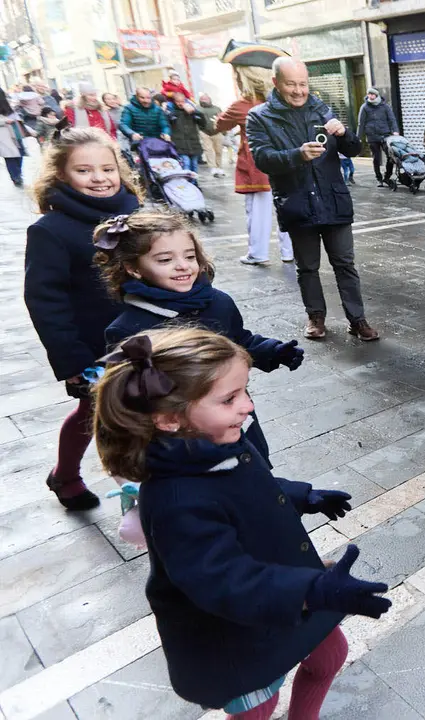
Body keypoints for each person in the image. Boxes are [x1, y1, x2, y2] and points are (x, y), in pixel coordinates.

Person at [91, 327, 390, 719]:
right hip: (237, 632)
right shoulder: (175, 499)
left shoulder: (217, 440)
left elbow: (250, 487)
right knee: (257, 706)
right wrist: (312, 590)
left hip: (285, 590)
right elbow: (222, 579)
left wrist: (302, 496)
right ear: (168, 419)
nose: (246, 406)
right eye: (230, 398)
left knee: (330, 654)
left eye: (246, 392)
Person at [96, 209, 304, 460]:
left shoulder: (219, 302)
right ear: (134, 268)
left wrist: (271, 351)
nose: (182, 266)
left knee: (254, 469)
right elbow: (132, 401)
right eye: (165, 260)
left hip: (236, 416)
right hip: (184, 438)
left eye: (190, 256)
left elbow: (239, 341)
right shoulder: (129, 330)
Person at [23, 127, 142, 510]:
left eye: (107, 169)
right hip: (93, 348)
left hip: (146, 336)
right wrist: (70, 358)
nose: (99, 178)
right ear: (61, 176)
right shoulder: (50, 231)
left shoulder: (139, 215)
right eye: (85, 170)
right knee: (95, 413)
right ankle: (69, 476)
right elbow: (45, 300)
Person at [247, 57, 379, 341]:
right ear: (276, 83)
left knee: (345, 263)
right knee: (307, 267)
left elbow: (354, 148)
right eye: (291, 84)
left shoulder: (322, 108)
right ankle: (316, 317)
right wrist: (297, 155)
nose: (298, 90)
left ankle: (358, 320)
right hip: (297, 202)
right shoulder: (260, 116)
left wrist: (344, 133)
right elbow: (262, 158)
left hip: (333, 200)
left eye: (303, 84)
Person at [216, 62, 294, 267]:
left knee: (258, 211)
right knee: (285, 208)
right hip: (282, 160)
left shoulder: (242, 105)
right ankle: (289, 251)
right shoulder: (281, 102)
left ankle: (258, 252)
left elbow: (219, 125)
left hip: (256, 163)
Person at [356, 88, 398, 187]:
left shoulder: (385, 106)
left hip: (385, 135)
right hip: (372, 136)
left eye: (372, 94)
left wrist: (395, 131)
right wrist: (358, 137)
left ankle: (387, 177)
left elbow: (392, 119)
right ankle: (379, 178)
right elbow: (361, 123)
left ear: (376, 95)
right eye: (369, 94)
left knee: (390, 156)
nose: (370, 96)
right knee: (376, 158)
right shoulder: (365, 107)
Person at [164, 90, 206, 175]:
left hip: (193, 143)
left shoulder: (192, 111)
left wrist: (195, 112)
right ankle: (186, 184)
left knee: (194, 165)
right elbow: (167, 122)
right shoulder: (171, 112)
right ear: (174, 102)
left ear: (185, 101)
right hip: (180, 144)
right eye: (178, 102)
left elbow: (203, 124)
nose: (180, 104)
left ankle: (194, 184)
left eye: (182, 101)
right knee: (186, 164)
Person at [197, 93, 226, 178]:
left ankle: (219, 167)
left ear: (210, 100)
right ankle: (213, 167)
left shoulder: (217, 109)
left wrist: (224, 131)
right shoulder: (197, 109)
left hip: (217, 132)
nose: (204, 101)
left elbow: (222, 119)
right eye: (202, 99)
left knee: (218, 151)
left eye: (206, 99)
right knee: (208, 150)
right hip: (204, 132)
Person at [1, 90, 25, 187]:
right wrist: (5, 121)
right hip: (4, 134)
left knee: (20, 154)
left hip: (15, 132)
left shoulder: (8, 104)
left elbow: (16, 115)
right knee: (10, 157)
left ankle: (17, 174)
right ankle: (16, 177)